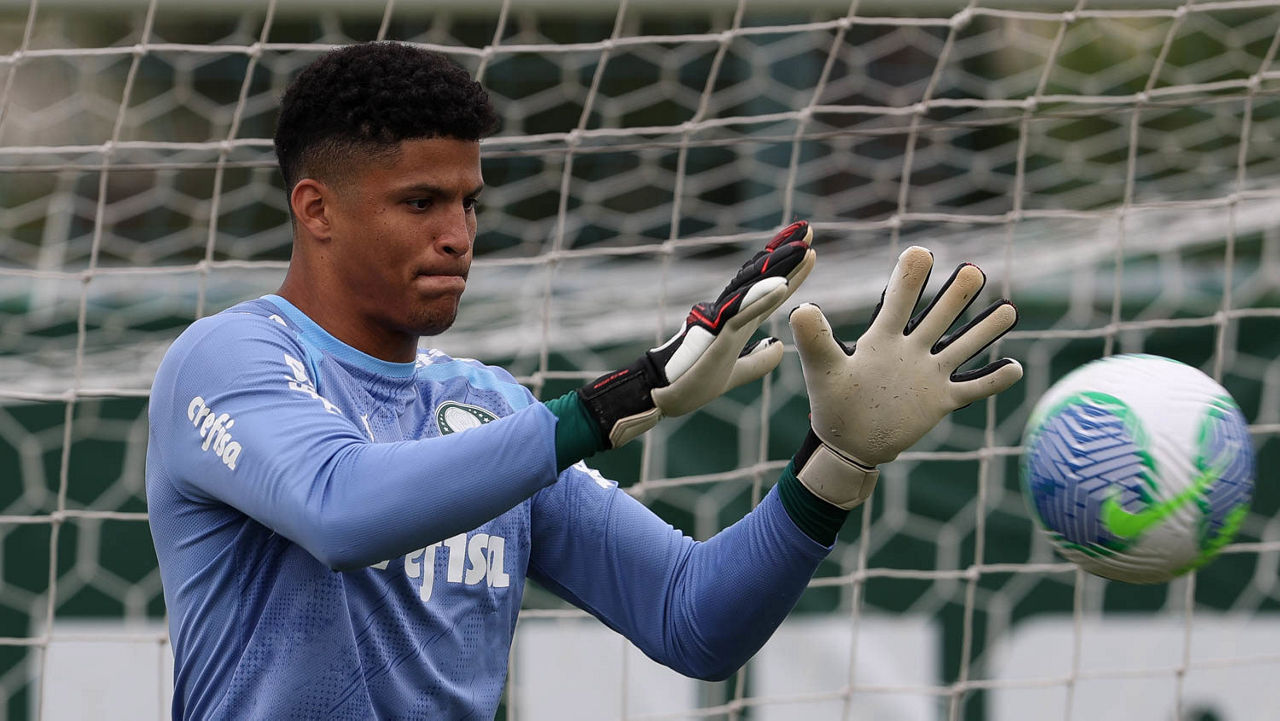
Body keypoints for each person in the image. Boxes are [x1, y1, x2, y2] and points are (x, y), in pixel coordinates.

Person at [145, 41, 1023, 720]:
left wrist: (834, 465)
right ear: (317, 209)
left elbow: (690, 616)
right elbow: (339, 509)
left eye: (469, 202)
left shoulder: (487, 407)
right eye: (420, 202)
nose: (458, 235)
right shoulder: (228, 358)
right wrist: (621, 400)